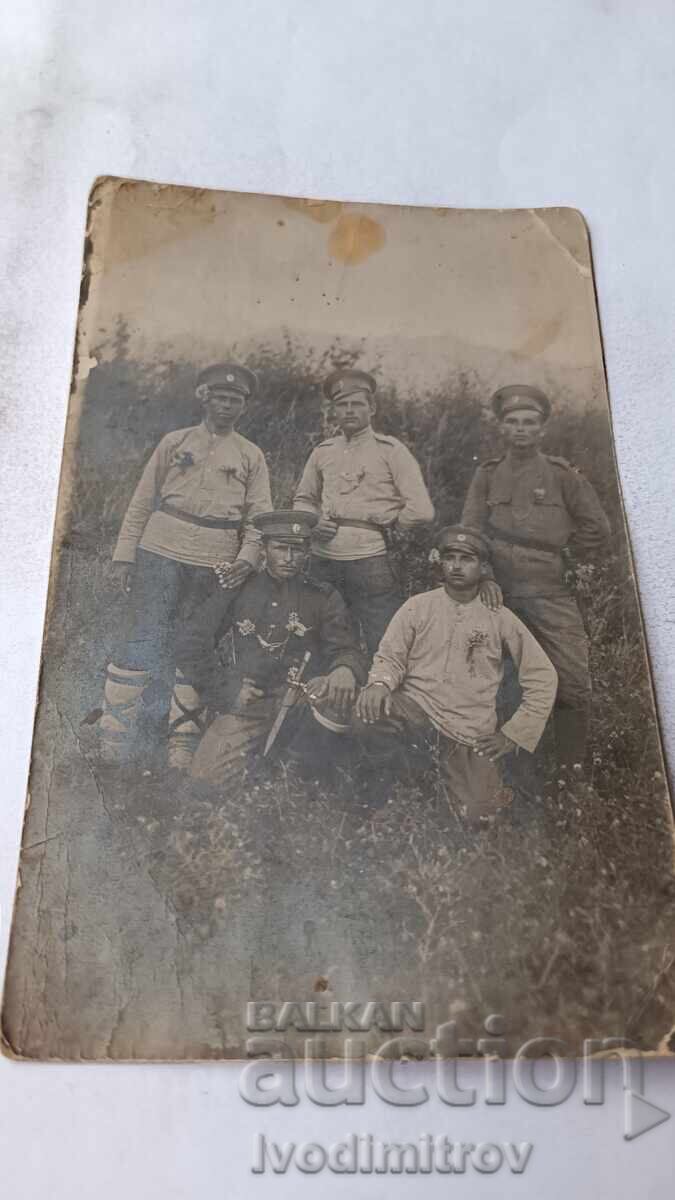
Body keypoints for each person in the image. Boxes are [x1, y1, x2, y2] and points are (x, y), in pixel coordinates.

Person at [99, 363, 272, 767]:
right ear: (204, 397)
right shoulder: (174, 442)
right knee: (140, 637)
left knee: (195, 645)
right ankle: (114, 742)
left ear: (243, 406)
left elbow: (260, 517)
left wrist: (247, 560)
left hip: (215, 559)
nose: (227, 405)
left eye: (236, 399)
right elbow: (142, 500)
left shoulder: (250, 455)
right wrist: (124, 555)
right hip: (160, 549)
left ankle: (182, 746)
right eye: (221, 396)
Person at [354, 526, 558, 825]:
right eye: (450, 557)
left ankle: (447, 787)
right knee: (367, 713)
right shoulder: (418, 607)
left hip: (467, 731)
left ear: (483, 567)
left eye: (467, 558)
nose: (457, 566)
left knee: (480, 817)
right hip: (417, 712)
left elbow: (543, 676)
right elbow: (390, 656)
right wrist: (380, 684)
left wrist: (514, 734)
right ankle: (394, 792)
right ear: (441, 562)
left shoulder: (499, 617)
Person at [461, 384, 610, 766]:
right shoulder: (488, 474)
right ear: (502, 428)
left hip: (550, 594)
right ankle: (489, 764)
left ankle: (569, 772)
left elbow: (597, 527)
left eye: (530, 422)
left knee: (573, 681)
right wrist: (487, 576)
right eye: (513, 422)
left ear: (542, 429)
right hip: (498, 594)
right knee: (482, 676)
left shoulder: (563, 475)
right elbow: (471, 533)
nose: (521, 429)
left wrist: (571, 563)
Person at [175, 510, 368, 787]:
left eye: (297, 549)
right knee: (204, 779)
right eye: (280, 548)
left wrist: (344, 670)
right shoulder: (240, 589)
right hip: (252, 702)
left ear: (308, 552)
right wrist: (228, 689)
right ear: (264, 549)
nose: (289, 558)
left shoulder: (323, 596)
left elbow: (346, 648)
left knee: (314, 780)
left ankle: (306, 782)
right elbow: (191, 643)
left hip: (307, 701)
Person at [292, 368, 436, 656]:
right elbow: (303, 499)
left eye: (356, 404)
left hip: (370, 560)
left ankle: (378, 698)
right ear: (333, 410)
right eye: (342, 405)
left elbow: (421, 509)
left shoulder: (390, 450)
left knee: (381, 638)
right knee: (318, 634)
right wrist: (313, 521)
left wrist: (391, 527)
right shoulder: (323, 451)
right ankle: (324, 697)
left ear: (372, 408)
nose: (349, 411)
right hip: (323, 558)